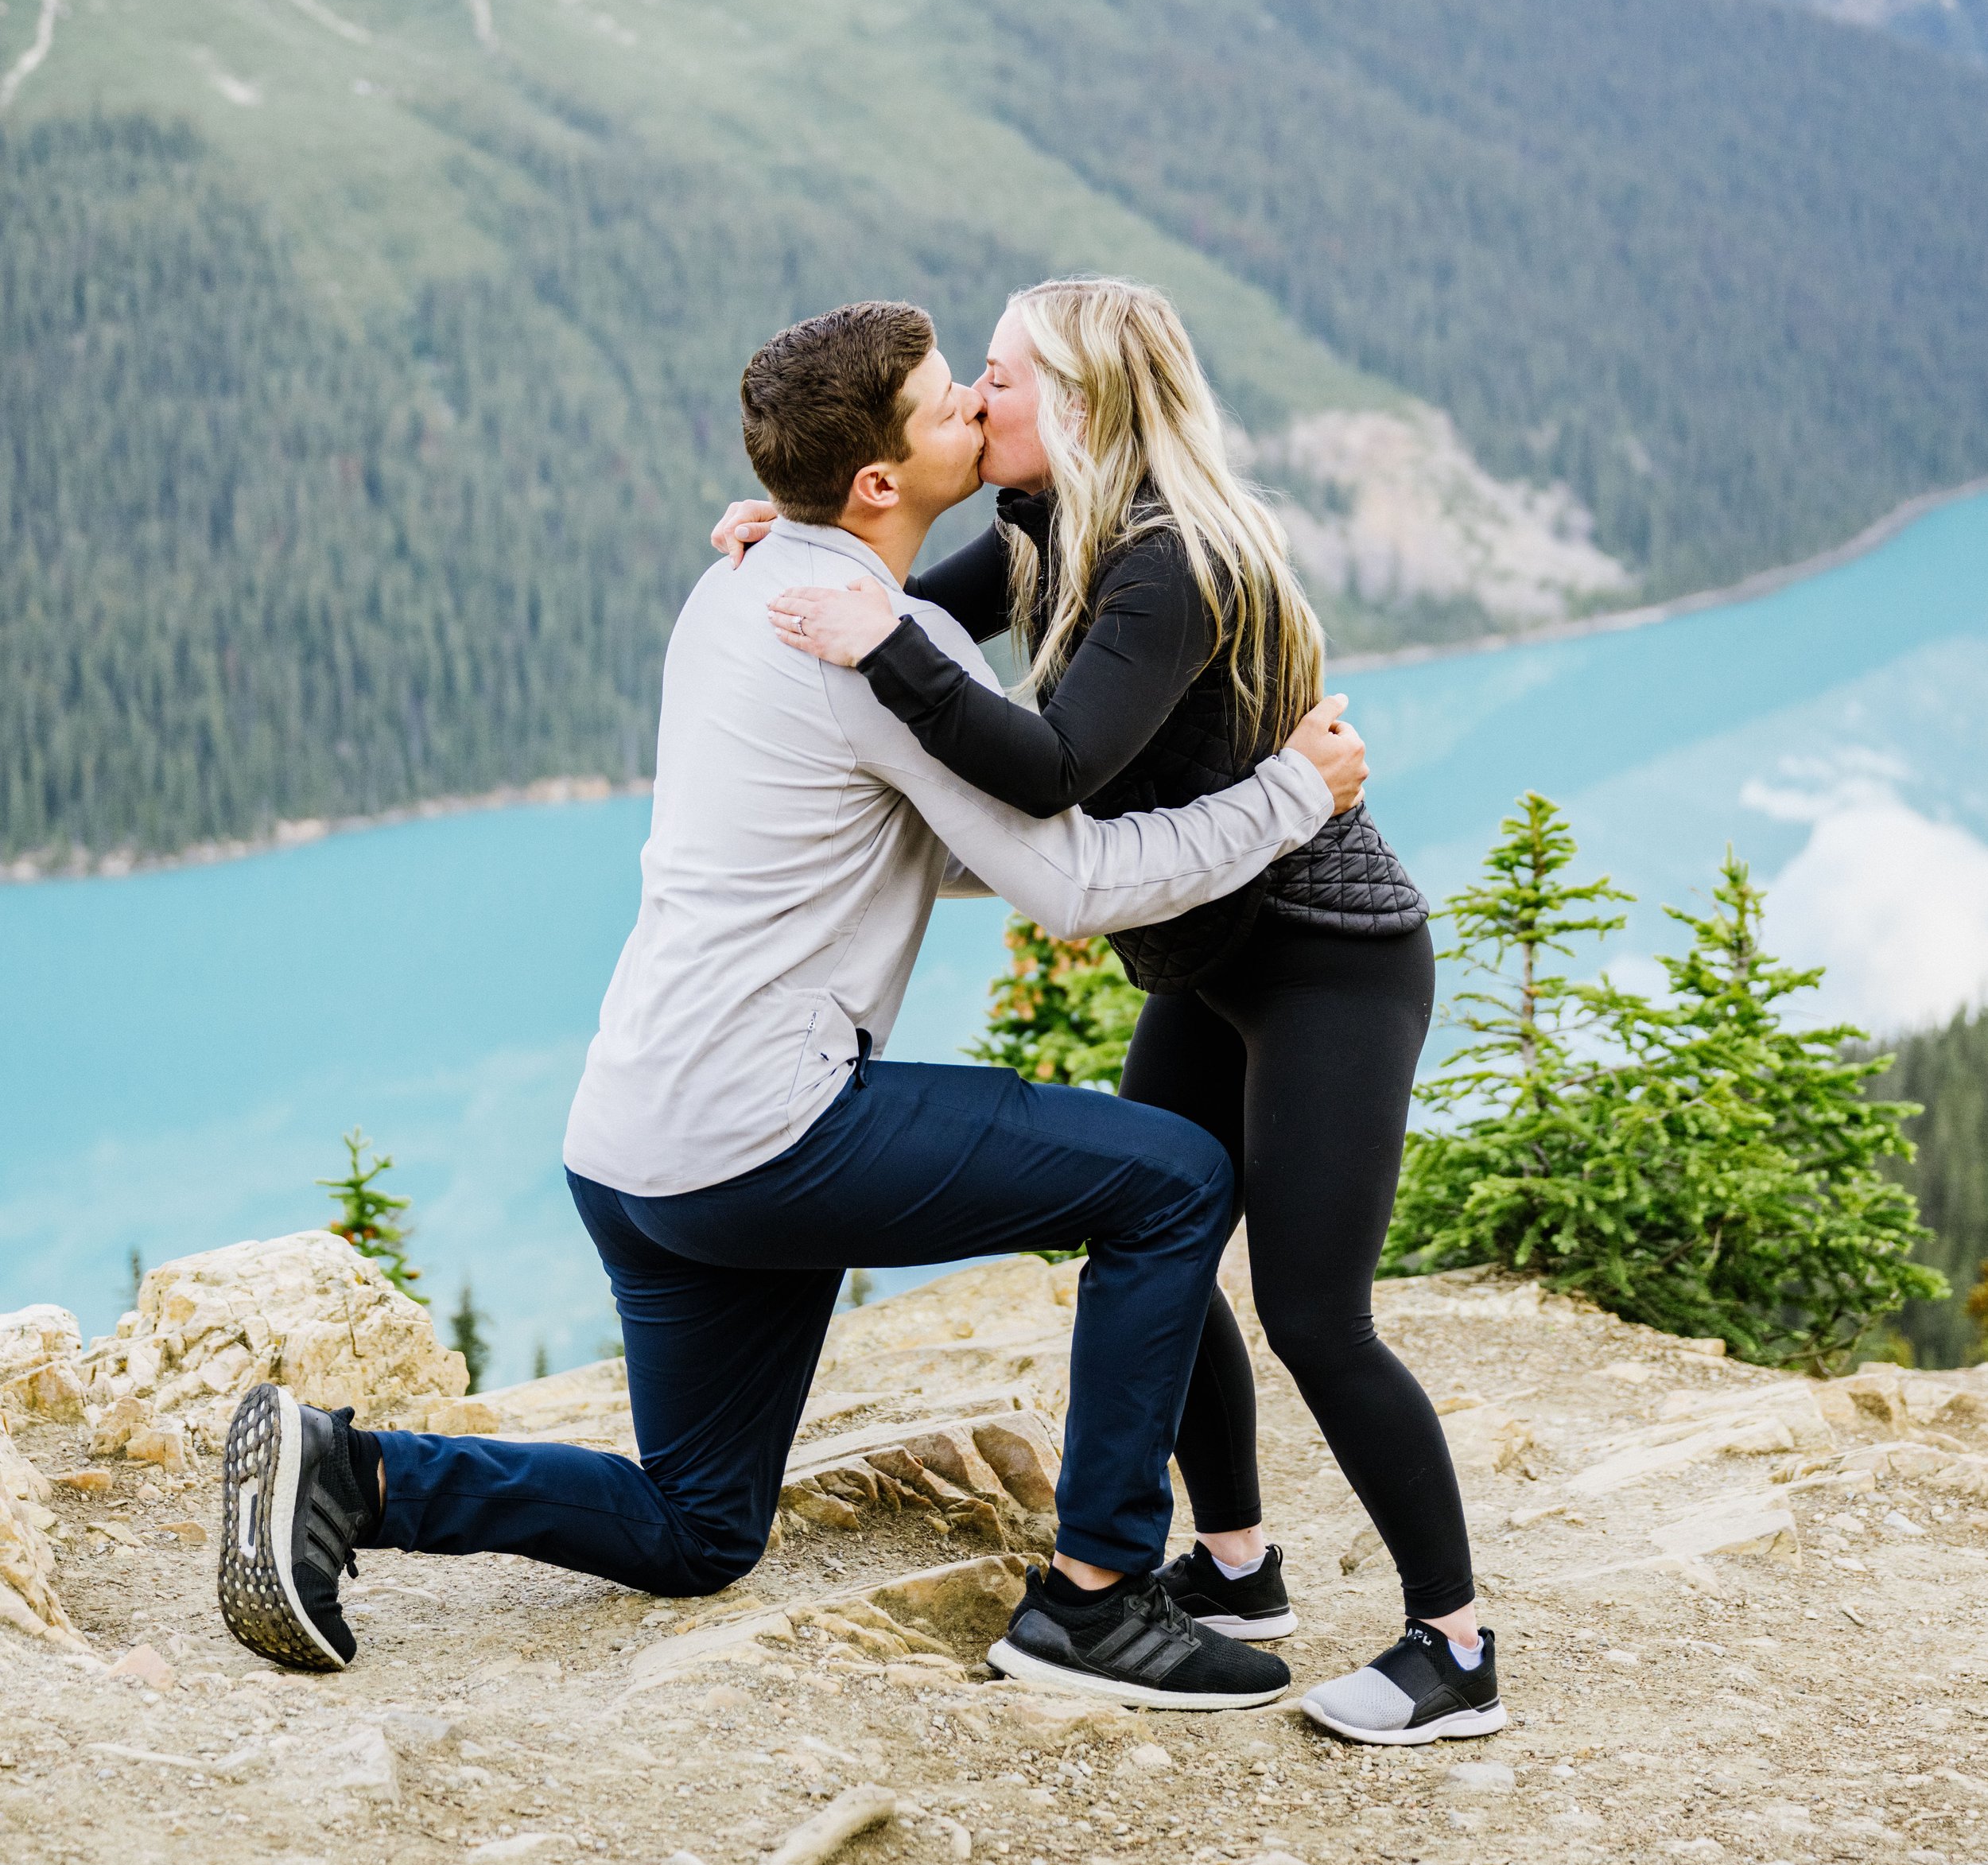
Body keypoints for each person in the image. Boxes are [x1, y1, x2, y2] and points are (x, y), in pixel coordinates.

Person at [218, 299, 1369, 1715]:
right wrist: (1289, 798)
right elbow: (1070, 884)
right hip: (768, 1136)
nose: (979, 410)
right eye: (953, 399)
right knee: (1175, 1180)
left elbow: (891, 838)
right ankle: (1099, 1598)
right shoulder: (876, 650)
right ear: (879, 483)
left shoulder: (745, 591)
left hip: (632, 1148)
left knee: (700, 1528)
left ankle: (353, 1469)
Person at [718, 275, 1504, 1749]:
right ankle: (1235, 1565)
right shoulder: (1042, 525)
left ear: (1075, 401)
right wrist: (804, 542)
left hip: (1330, 959)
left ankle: (1455, 1650)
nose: (975, 400)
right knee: (1153, 1229)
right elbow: (914, 618)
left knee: (1315, 1313)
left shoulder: (1170, 564)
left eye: (1000, 375)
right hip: (1213, 960)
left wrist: (865, 635)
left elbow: (1049, 763)